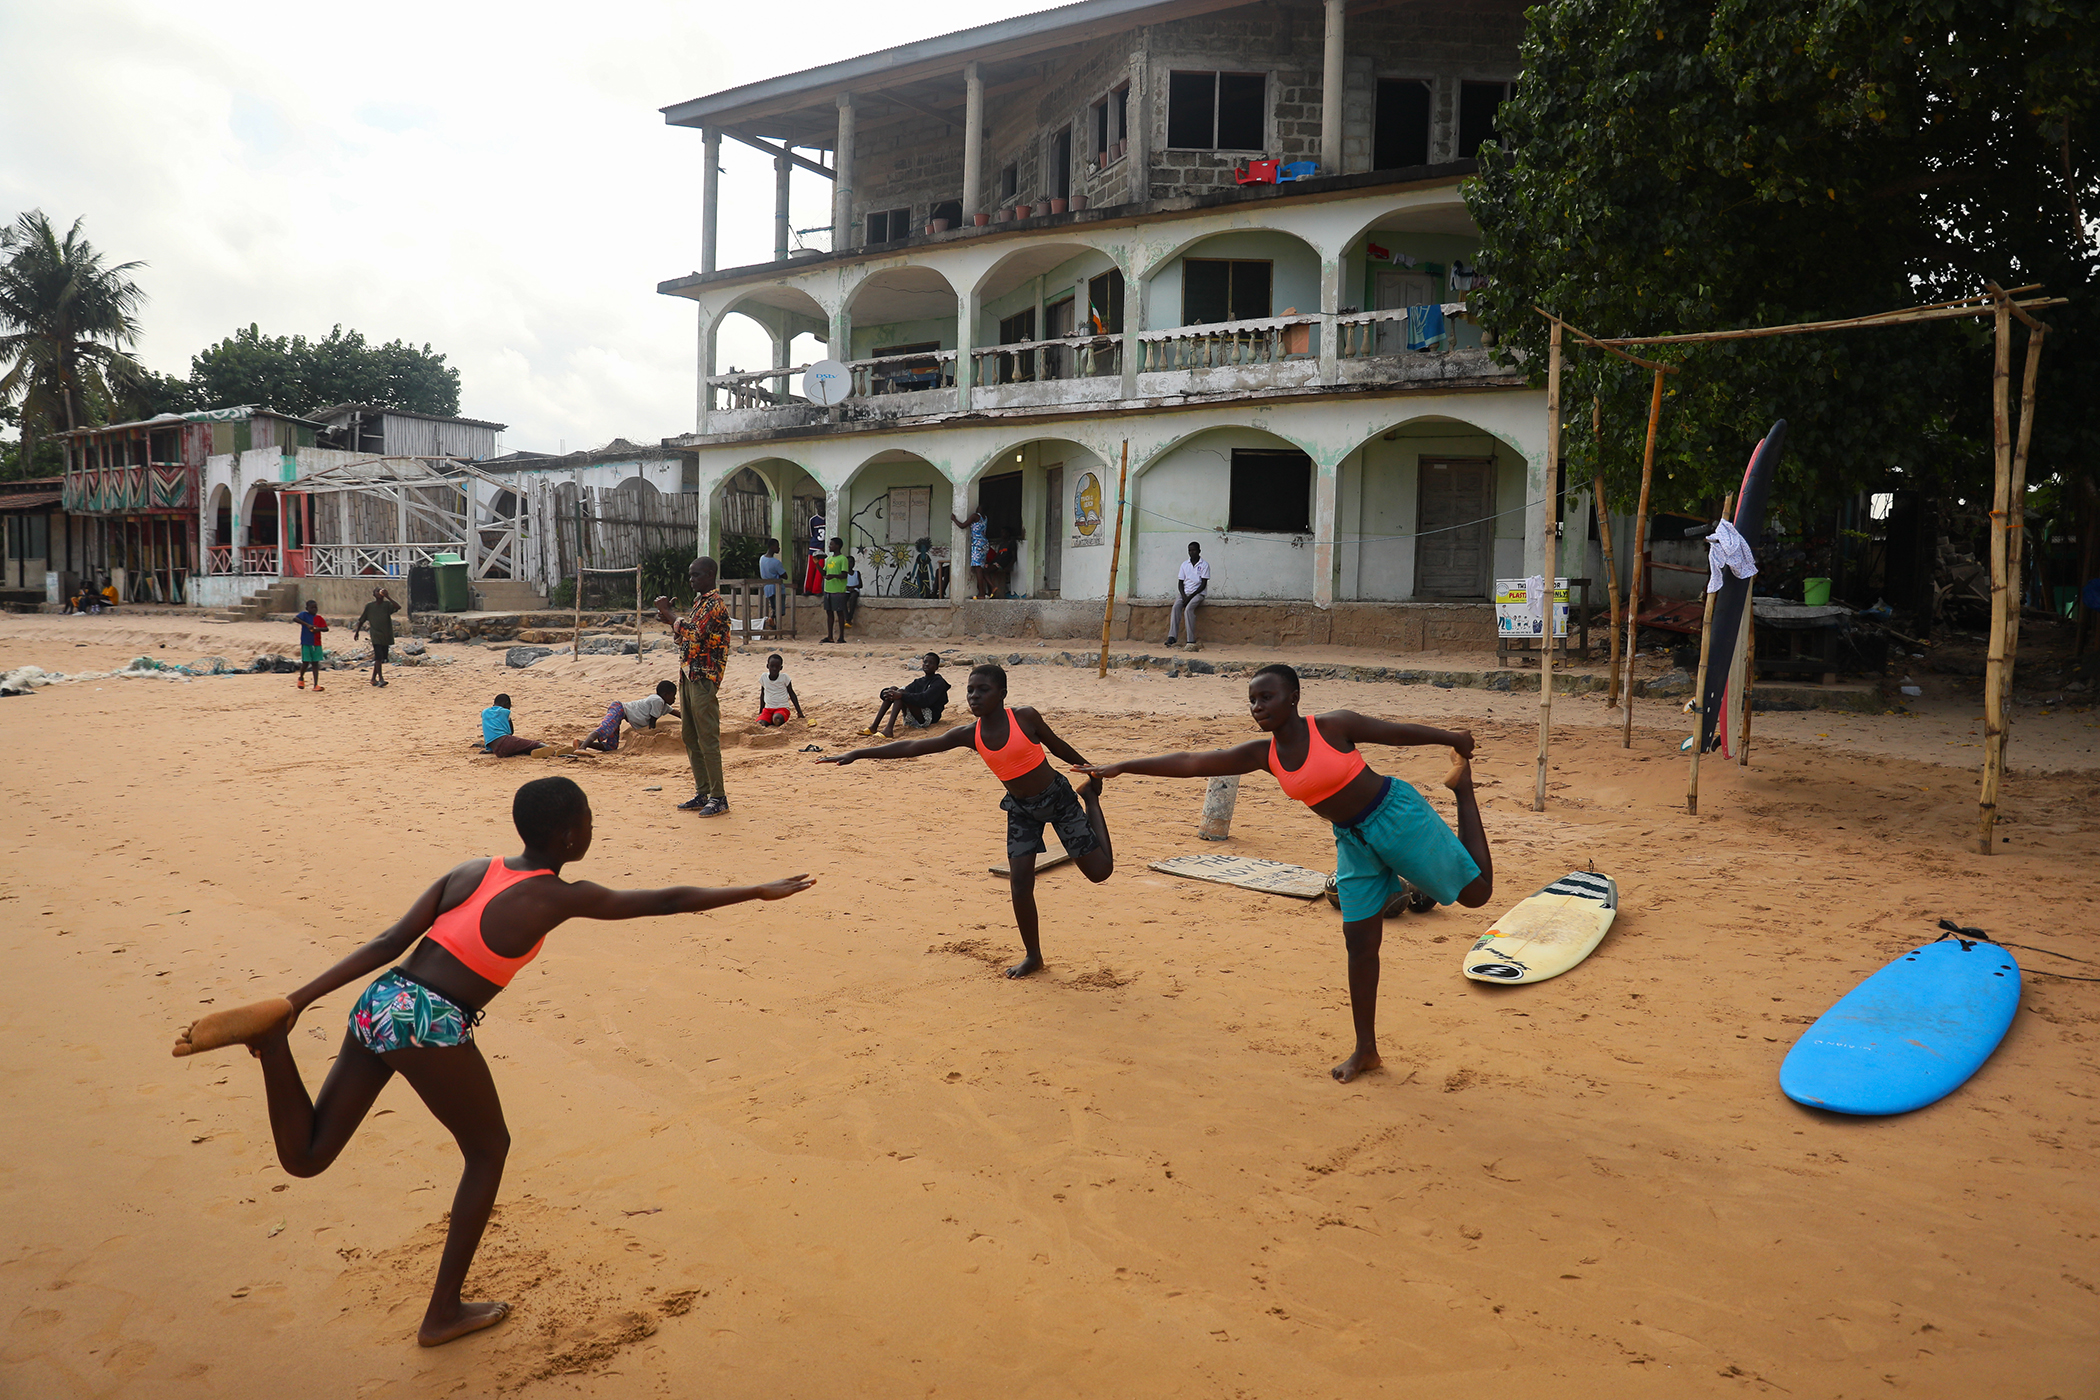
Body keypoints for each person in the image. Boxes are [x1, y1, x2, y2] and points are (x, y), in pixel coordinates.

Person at [173, 776, 815, 1347]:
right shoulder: (560, 896)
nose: (592, 827)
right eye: (588, 819)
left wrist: (297, 1002)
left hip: (382, 999)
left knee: (307, 1157)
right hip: (429, 1019)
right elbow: (664, 899)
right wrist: (754, 890)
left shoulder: (470, 870)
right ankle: (443, 1313)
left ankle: (274, 1041)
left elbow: (389, 941)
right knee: (489, 1150)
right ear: (568, 835)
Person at [1074, 663, 1492, 1084]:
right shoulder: (1264, 754)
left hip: (1394, 816)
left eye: (1267, 697)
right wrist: (1123, 766)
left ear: (1293, 697)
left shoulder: (1332, 727)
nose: (1258, 706)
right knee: (1359, 944)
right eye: (1253, 700)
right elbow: (1193, 761)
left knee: (1476, 895)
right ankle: (1366, 1049)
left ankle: (1462, 790)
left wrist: (1452, 738)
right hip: (1352, 842)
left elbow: (1396, 733)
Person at [821, 663, 1113, 978]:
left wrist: (1090, 769)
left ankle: (1091, 800)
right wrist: (859, 754)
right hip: (1020, 809)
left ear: (1002, 693)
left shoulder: (1025, 717)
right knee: (1019, 884)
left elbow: (1057, 747)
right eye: (970, 690)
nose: (974, 697)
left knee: (1099, 872)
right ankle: (1033, 956)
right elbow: (915, 746)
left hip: (1059, 800)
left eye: (983, 690)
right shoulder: (970, 734)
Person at [653, 556, 731, 815]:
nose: (691, 580)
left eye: (696, 575)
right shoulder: (701, 603)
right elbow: (691, 640)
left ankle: (718, 796)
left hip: (704, 677)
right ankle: (703, 792)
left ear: (710, 575)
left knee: (707, 736)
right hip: (689, 674)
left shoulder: (714, 604)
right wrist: (672, 623)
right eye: (690, 576)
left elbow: (696, 633)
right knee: (689, 734)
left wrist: (669, 613)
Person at [576, 680, 680, 753]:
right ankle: (582, 748)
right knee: (604, 729)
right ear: (666, 695)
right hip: (620, 708)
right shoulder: (658, 700)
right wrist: (652, 734)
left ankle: (581, 743)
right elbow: (653, 722)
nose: (674, 699)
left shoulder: (664, 706)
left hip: (621, 712)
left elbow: (677, 714)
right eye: (673, 696)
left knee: (611, 747)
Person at [864, 652, 950, 737]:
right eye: (925, 662)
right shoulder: (918, 681)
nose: (927, 665)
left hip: (929, 718)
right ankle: (873, 727)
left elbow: (925, 700)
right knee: (895, 689)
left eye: (931, 663)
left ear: (936, 667)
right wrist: (886, 693)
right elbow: (904, 691)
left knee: (901, 694)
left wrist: (900, 695)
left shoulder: (938, 682)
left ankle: (888, 730)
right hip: (913, 715)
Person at [352, 586, 402, 688]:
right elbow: (362, 620)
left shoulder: (387, 605)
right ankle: (381, 679)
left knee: (381, 658)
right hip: (376, 634)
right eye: (377, 591)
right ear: (374, 594)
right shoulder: (370, 606)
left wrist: (388, 597)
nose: (379, 593)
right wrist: (357, 632)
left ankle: (373, 679)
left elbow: (398, 607)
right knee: (378, 657)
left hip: (386, 635)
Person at [479, 694, 556, 757]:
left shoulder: (484, 712)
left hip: (496, 750)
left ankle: (534, 752)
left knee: (521, 748)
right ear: (506, 704)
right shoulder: (505, 712)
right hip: (505, 741)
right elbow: (511, 732)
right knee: (533, 744)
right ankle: (550, 750)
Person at [1167, 541, 1210, 648]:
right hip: (1185, 593)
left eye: (1194, 550)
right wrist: (1184, 596)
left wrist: (1190, 597)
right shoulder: (1184, 565)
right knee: (1176, 607)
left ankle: (1190, 640)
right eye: (1190, 550)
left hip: (1198, 594)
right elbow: (1180, 583)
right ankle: (1172, 637)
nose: (1192, 552)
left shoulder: (1204, 565)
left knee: (1188, 610)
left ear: (1199, 551)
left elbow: (1203, 584)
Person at [950, 506, 989, 597]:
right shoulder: (985, 518)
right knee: (980, 568)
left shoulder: (975, 516)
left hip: (977, 545)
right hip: (985, 544)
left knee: (978, 569)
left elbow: (962, 526)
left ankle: (982, 594)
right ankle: (982, 591)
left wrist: (954, 519)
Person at [755, 653, 803, 727]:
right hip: (768, 709)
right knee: (760, 724)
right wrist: (761, 710)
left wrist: (799, 712)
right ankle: (768, 718)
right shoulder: (764, 677)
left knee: (777, 719)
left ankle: (773, 718)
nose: (774, 669)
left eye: (777, 667)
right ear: (767, 666)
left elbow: (792, 694)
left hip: (782, 709)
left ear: (781, 668)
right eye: (772, 666)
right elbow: (762, 694)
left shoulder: (784, 678)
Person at [292, 599, 329, 692]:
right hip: (306, 642)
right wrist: (307, 625)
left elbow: (326, 628)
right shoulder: (304, 615)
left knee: (315, 664)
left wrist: (318, 629)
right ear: (307, 608)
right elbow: (295, 619)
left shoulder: (319, 618)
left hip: (316, 643)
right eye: (312, 608)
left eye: (315, 607)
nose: (314, 609)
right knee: (305, 662)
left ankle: (316, 684)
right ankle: (301, 678)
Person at [820, 537, 851, 644]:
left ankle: (841, 636)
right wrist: (816, 564)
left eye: (831, 544)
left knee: (840, 613)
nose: (829, 546)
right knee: (829, 613)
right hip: (828, 589)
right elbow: (824, 573)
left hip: (838, 590)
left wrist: (833, 576)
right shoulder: (828, 559)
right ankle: (830, 636)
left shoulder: (843, 559)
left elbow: (844, 574)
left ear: (837, 546)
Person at [758, 539, 787, 625]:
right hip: (777, 588)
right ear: (772, 547)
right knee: (780, 610)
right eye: (777, 546)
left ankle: (773, 624)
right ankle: (772, 621)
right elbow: (785, 576)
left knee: (774, 607)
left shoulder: (762, 559)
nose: (779, 548)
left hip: (767, 588)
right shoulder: (776, 562)